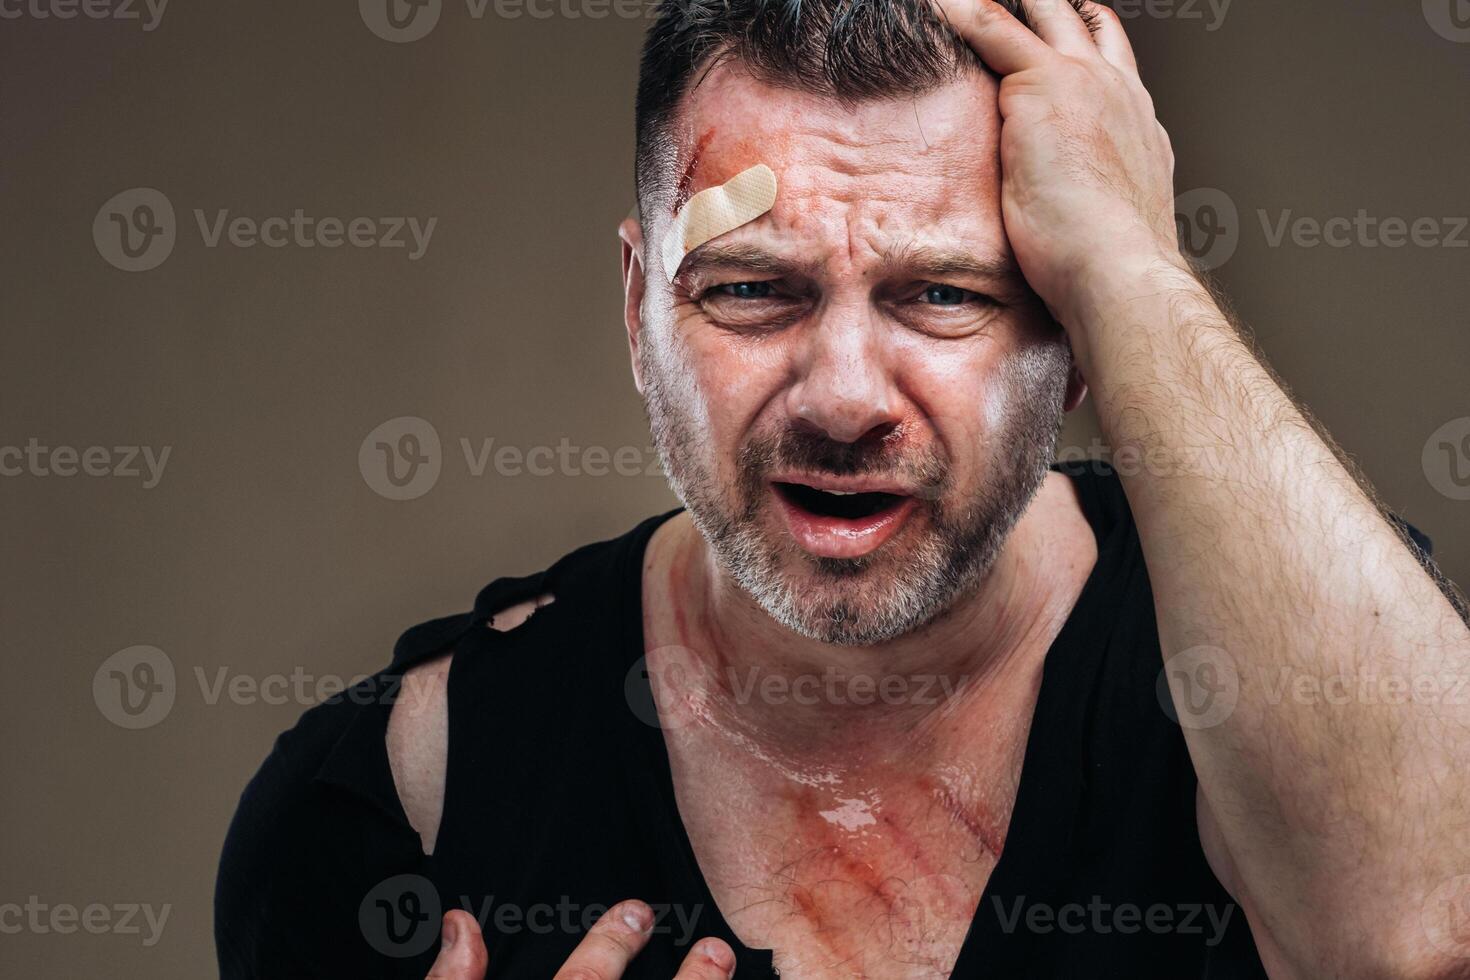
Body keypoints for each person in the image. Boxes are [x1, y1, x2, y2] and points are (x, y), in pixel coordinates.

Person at [216, 0, 1470, 977]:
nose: (843, 395)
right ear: (640, 315)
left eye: (945, 293)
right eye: (754, 288)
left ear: (1075, 336)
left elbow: (1421, 933)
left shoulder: (1277, 655)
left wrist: (1131, 265)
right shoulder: (397, 804)